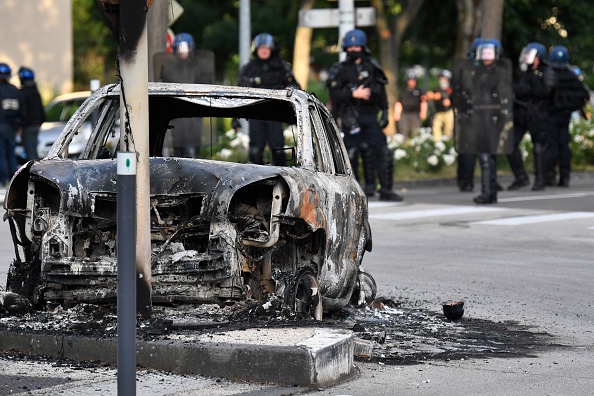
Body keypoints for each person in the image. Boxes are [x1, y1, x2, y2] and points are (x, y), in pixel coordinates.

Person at [327, 29, 402, 201]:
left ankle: (386, 190)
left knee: (383, 152)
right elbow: (334, 94)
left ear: (363, 47)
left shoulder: (372, 66)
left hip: (370, 116)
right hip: (350, 117)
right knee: (352, 153)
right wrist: (353, 94)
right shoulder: (340, 69)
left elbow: (382, 90)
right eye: (350, 46)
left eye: (356, 46)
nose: (353, 49)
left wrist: (385, 111)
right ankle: (354, 191)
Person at [452, 39, 514, 204]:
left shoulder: (499, 74)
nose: (485, 57)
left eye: (489, 53)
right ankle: (490, 191)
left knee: (487, 156)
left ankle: (488, 192)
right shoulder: (476, 73)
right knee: (486, 156)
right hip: (478, 119)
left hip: (491, 120)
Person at [238, 32, 300, 165]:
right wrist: (235, 117)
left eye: (266, 47)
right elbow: (239, 92)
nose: (264, 50)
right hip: (256, 114)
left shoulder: (282, 67)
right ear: (256, 49)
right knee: (255, 151)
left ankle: (282, 181)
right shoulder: (249, 68)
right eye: (261, 48)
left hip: (275, 114)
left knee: (278, 151)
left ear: (272, 49)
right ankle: (256, 181)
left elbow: (295, 87)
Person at [156, 32, 215, 158]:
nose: (181, 51)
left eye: (184, 47)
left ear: (191, 48)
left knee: (192, 152)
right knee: (178, 153)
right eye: (179, 48)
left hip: (193, 115)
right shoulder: (169, 68)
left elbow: (207, 87)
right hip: (176, 116)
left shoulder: (200, 67)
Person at [509, 42, 555, 191]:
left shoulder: (546, 71)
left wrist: (528, 88)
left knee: (539, 147)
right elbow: (516, 89)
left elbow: (545, 91)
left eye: (530, 54)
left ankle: (540, 179)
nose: (527, 57)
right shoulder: (525, 72)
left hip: (538, 114)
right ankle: (520, 177)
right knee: (510, 144)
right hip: (522, 114)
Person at [545, 45, 590, 187]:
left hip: (551, 115)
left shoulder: (549, 73)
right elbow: (584, 95)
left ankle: (550, 175)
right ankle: (564, 176)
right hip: (565, 116)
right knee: (564, 145)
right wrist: (571, 107)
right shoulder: (571, 76)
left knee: (551, 146)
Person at [455, 38, 484, 192]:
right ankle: (466, 180)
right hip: (473, 112)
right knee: (470, 149)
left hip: (471, 112)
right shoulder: (472, 68)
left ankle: (465, 180)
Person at [0, 62, 25, 186]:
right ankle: (13, 180)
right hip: (12, 128)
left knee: (1, 154)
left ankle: (4, 179)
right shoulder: (15, 90)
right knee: (11, 154)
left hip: (1, 126)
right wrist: (19, 126)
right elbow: (22, 110)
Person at [18, 66, 45, 161]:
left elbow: (23, 112)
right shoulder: (35, 92)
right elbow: (42, 111)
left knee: (30, 153)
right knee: (33, 150)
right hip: (36, 125)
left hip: (28, 127)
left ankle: (34, 174)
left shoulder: (22, 93)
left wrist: (20, 125)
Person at [393, 73, 427, 142]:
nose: (411, 82)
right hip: (404, 113)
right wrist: (397, 113)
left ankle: (416, 147)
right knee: (403, 131)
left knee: (415, 132)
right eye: (409, 81)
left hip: (415, 114)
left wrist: (423, 112)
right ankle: (403, 147)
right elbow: (399, 103)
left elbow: (423, 102)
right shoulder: (403, 91)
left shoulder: (419, 91)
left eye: (413, 81)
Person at [426, 70, 454, 141]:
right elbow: (429, 95)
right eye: (441, 78)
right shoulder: (437, 88)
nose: (442, 80)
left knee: (448, 130)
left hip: (448, 112)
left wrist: (442, 97)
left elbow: (450, 100)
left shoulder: (451, 89)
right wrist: (434, 96)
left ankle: (447, 143)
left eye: (444, 78)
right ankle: (437, 143)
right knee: (436, 127)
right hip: (439, 112)